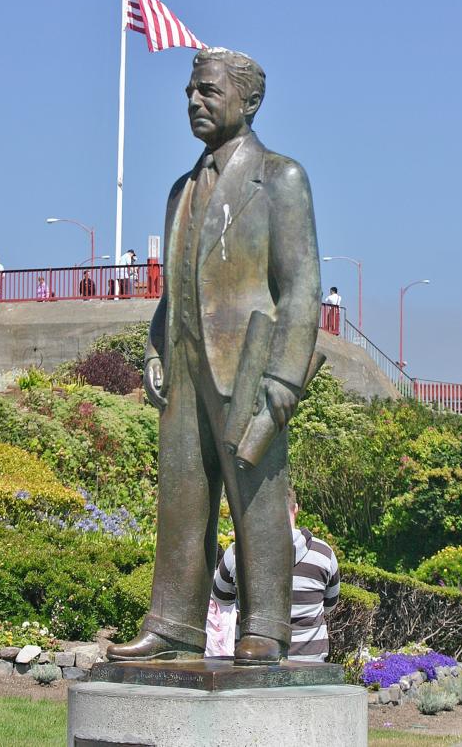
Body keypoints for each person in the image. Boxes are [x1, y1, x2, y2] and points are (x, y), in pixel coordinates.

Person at [106, 47, 320, 666]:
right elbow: (177, 286)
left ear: (249, 102)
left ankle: (267, 626)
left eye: (208, 92)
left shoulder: (280, 178)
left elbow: (301, 288)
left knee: (256, 500)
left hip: (250, 368)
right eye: (190, 93)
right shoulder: (181, 191)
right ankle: (174, 623)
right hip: (185, 366)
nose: (194, 102)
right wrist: (154, 345)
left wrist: (284, 382)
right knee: (181, 498)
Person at [210, 487, 340, 662]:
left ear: (262, 510)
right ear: (296, 509)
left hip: (257, 663)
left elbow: (221, 598)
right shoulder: (323, 553)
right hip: (310, 661)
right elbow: (329, 604)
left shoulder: (238, 553)